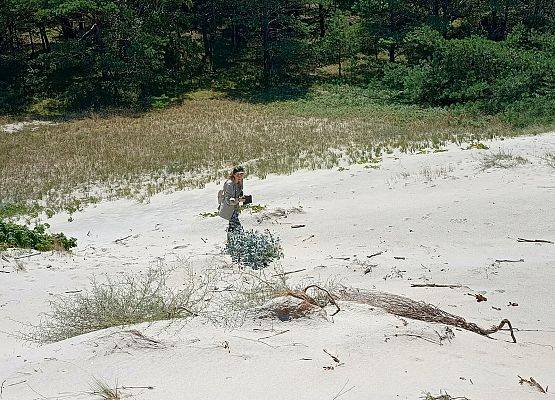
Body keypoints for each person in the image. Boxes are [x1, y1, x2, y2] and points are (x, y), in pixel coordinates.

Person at [219, 166, 246, 239]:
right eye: (238, 174)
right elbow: (228, 200)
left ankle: (231, 242)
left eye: (242, 174)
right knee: (237, 227)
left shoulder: (240, 181)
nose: (240, 176)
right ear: (234, 174)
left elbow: (240, 192)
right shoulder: (229, 184)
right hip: (229, 209)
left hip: (235, 208)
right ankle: (240, 240)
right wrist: (238, 200)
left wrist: (242, 197)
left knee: (232, 226)